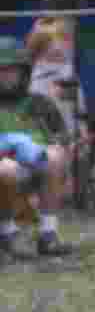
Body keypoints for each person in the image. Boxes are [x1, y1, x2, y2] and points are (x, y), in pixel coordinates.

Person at [0, 35, 74, 258]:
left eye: (11, 70)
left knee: (54, 156)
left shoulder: (39, 104)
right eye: (1, 70)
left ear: (24, 72)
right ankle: (7, 234)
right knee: (6, 169)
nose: (6, 76)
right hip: (5, 166)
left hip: (35, 164)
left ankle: (48, 234)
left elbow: (61, 137)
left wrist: (59, 148)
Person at [25, 0, 89, 137]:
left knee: (63, 132)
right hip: (55, 81)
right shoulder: (58, 23)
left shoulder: (54, 24)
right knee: (61, 131)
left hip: (55, 82)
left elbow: (29, 54)